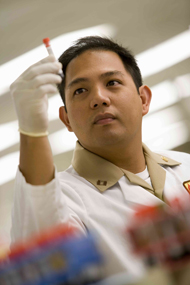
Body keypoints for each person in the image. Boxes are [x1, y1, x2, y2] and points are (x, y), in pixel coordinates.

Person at [10, 36, 190, 279]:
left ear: (143, 99)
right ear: (66, 120)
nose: (99, 98)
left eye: (112, 82)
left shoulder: (186, 165)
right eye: (80, 90)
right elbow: (42, 255)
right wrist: (31, 130)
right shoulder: (65, 197)